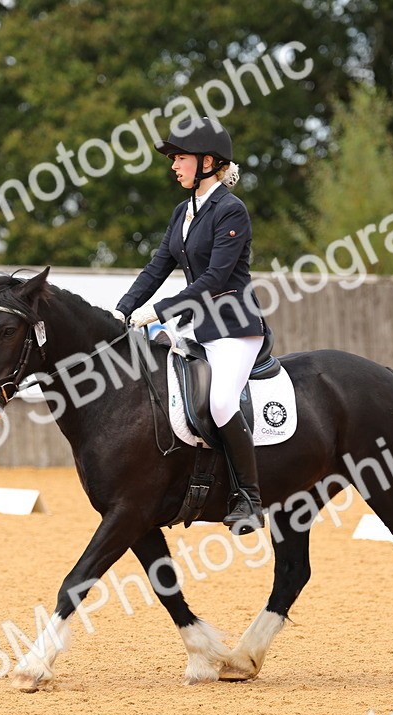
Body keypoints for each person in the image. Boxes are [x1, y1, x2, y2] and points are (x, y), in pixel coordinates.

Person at [112, 117, 267, 535]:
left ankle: (250, 499)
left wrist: (159, 311)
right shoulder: (184, 211)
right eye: (174, 158)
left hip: (233, 326)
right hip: (198, 326)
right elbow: (158, 265)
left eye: (180, 157)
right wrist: (124, 308)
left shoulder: (231, 210)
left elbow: (215, 279)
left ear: (208, 162)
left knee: (220, 403)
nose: (174, 165)